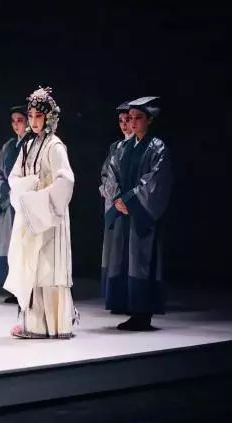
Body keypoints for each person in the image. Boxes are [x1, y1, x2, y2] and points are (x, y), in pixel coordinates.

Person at [5, 86, 78, 339]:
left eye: (39, 116)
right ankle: (34, 325)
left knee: (48, 267)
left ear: (49, 117)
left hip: (49, 216)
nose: (34, 121)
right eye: (31, 116)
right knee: (32, 266)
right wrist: (27, 188)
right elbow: (14, 177)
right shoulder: (27, 145)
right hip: (31, 215)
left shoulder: (55, 146)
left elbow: (65, 180)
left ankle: (57, 325)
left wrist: (41, 194)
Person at [99, 96, 172, 330]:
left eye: (138, 118)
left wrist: (129, 199)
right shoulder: (122, 148)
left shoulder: (157, 147)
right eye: (129, 118)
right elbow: (111, 174)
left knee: (141, 260)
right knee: (123, 259)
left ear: (149, 120)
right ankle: (130, 309)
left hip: (141, 214)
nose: (132, 122)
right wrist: (116, 199)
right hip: (123, 212)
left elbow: (155, 181)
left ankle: (143, 314)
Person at [0, 105, 28, 303]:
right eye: (13, 121)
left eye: (20, 120)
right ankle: (13, 289)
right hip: (9, 201)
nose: (16, 125)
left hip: (25, 203)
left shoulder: (33, 144)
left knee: (25, 245)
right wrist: (5, 188)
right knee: (9, 244)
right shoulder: (8, 146)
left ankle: (27, 289)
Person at [99, 101, 133, 313]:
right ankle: (117, 299)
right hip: (115, 206)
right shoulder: (116, 147)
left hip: (131, 205)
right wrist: (113, 196)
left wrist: (126, 199)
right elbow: (106, 175)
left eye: (128, 120)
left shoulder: (143, 147)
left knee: (130, 254)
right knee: (115, 252)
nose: (124, 125)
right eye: (121, 121)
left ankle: (132, 299)